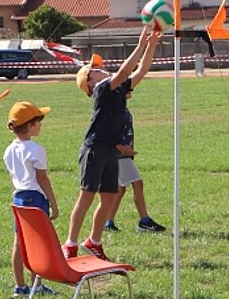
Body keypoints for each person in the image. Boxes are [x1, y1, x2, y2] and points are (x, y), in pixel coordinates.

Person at [65, 24, 161, 259]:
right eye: (95, 69)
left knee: (108, 197)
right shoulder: (101, 89)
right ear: (88, 82)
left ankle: (94, 241)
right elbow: (124, 72)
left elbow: (140, 71)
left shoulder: (116, 89)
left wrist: (151, 47)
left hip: (110, 151)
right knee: (86, 197)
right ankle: (70, 244)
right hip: (94, 149)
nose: (101, 69)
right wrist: (140, 45)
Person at [3, 100, 59, 298]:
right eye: (39, 121)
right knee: (37, 243)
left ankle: (20, 286)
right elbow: (42, 178)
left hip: (18, 198)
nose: (41, 125)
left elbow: (13, 176)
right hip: (35, 199)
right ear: (29, 126)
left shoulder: (10, 149)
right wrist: (53, 202)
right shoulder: (36, 149)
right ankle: (37, 283)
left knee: (19, 243)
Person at [101, 89, 167, 234]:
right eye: (126, 88)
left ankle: (108, 222)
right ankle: (144, 221)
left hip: (121, 154)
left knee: (120, 188)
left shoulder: (121, 108)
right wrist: (123, 149)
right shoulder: (115, 111)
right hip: (119, 154)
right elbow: (109, 134)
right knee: (137, 183)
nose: (130, 90)